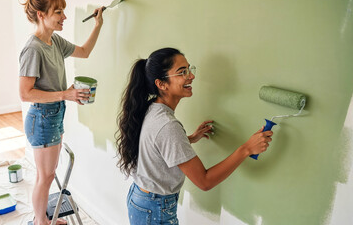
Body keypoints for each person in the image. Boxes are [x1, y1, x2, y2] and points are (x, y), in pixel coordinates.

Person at [116, 48, 273, 225]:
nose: (191, 76)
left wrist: (187, 139)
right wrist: (246, 149)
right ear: (161, 84)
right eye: (182, 72)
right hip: (155, 209)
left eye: (189, 69)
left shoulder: (151, 109)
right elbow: (204, 182)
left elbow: (155, 144)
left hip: (141, 199)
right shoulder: (168, 126)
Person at [19, 0, 104, 224]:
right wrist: (65, 94)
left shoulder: (54, 41)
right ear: (41, 15)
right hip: (42, 118)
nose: (64, 17)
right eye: (58, 12)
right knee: (45, 177)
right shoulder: (33, 49)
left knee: (48, 174)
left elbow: (84, 52)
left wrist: (98, 25)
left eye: (64, 11)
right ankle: (41, 222)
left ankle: (42, 219)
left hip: (54, 115)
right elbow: (25, 94)